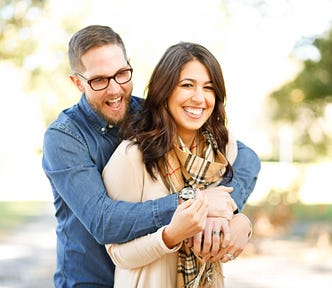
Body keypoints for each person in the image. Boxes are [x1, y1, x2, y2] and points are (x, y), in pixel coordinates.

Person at [42, 25, 261, 287]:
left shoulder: (150, 114)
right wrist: (194, 202)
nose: (115, 90)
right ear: (77, 82)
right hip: (89, 279)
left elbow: (246, 157)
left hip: (153, 273)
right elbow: (103, 220)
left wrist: (229, 211)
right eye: (99, 80)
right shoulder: (65, 137)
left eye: (122, 74)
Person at [102, 41, 253, 288]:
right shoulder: (133, 156)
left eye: (209, 88)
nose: (199, 98)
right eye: (187, 85)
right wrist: (171, 235)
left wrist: (242, 223)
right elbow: (117, 252)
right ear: (165, 91)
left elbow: (226, 206)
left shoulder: (221, 150)